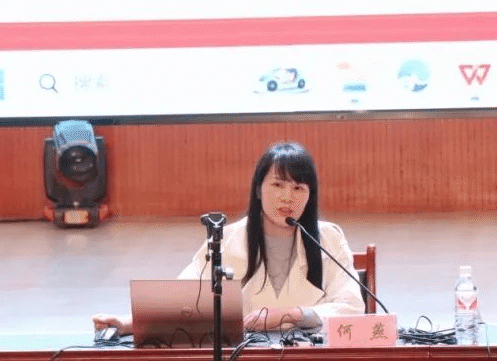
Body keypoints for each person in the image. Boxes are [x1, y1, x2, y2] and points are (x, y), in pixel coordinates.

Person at [93, 141, 365, 335]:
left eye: (298, 188)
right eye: (277, 185)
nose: (287, 197)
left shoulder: (329, 238)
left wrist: (294, 314)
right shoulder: (226, 239)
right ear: (258, 190)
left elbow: (352, 307)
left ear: (309, 195)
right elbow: (186, 300)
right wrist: (128, 323)